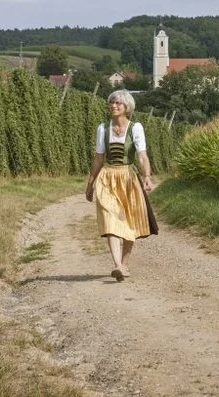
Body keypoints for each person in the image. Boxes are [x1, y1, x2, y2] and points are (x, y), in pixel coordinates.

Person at [85, 89, 158, 282]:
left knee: (129, 222)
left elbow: (142, 156)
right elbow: (99, 159)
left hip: (128, 178)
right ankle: (117, 264)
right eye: (111, 103)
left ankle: (124, 263)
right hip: (107, 178)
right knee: (110, 220)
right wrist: (90, 183)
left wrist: (147, 176)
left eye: (118, 103)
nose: (113, 106)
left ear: (127, 107)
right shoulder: (103, 128)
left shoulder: (136, 128)